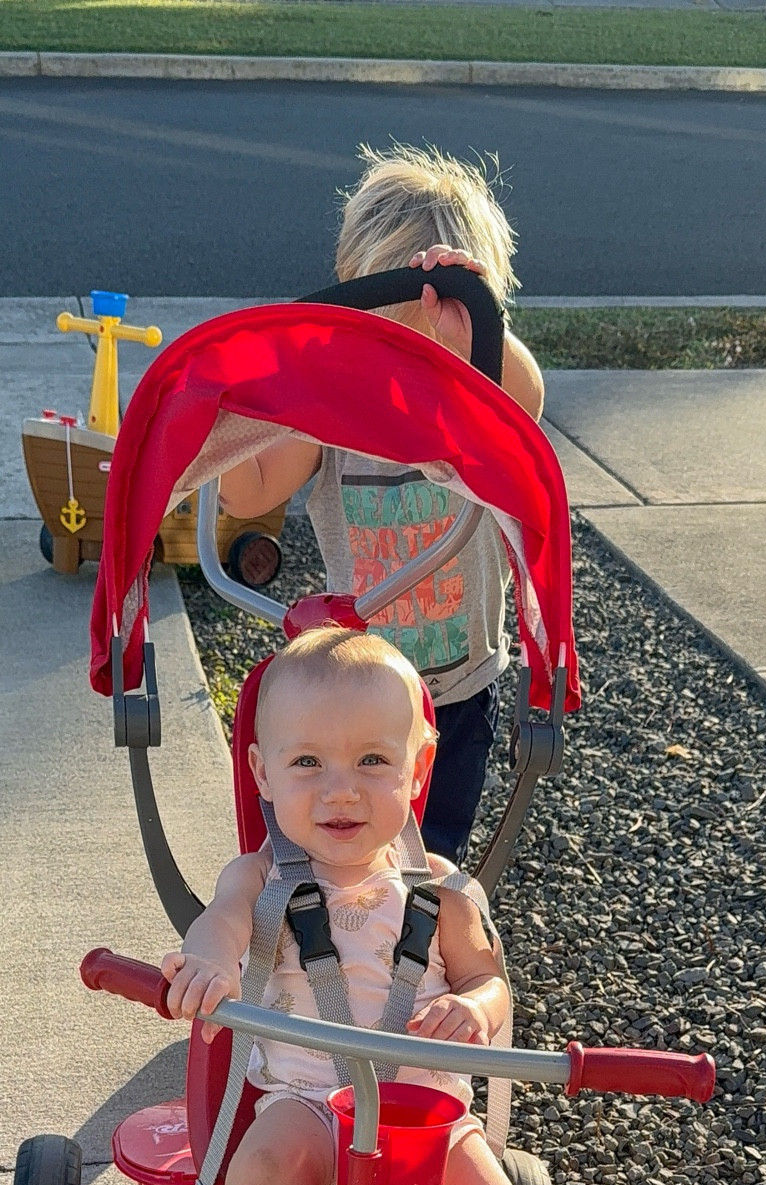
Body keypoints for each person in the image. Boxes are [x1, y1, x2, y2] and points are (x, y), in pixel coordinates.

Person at [161, 627, 545, 1185]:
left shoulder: (444, 890)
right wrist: (209, 965)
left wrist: (476, 1008)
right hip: (308, 1105)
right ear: (260, 773)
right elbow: (218, 926)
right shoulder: (256, 878)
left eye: (374, 759)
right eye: (308, 764)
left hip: (425, 1126)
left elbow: (490, 977)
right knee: (259, 1175)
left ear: (419, 768)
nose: (341, 790)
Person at [218, 143, 546, 868]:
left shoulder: (479, 406)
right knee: (344, 846)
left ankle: (414, 951)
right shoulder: (331, 412)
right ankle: (343, 949)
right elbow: (249, 492)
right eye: (392, 325)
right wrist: (264, 403)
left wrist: (477, 321)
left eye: (437, 328)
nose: (414, 351)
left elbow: (528, 401)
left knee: (433, 852)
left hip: (459, 685)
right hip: (355, 694)